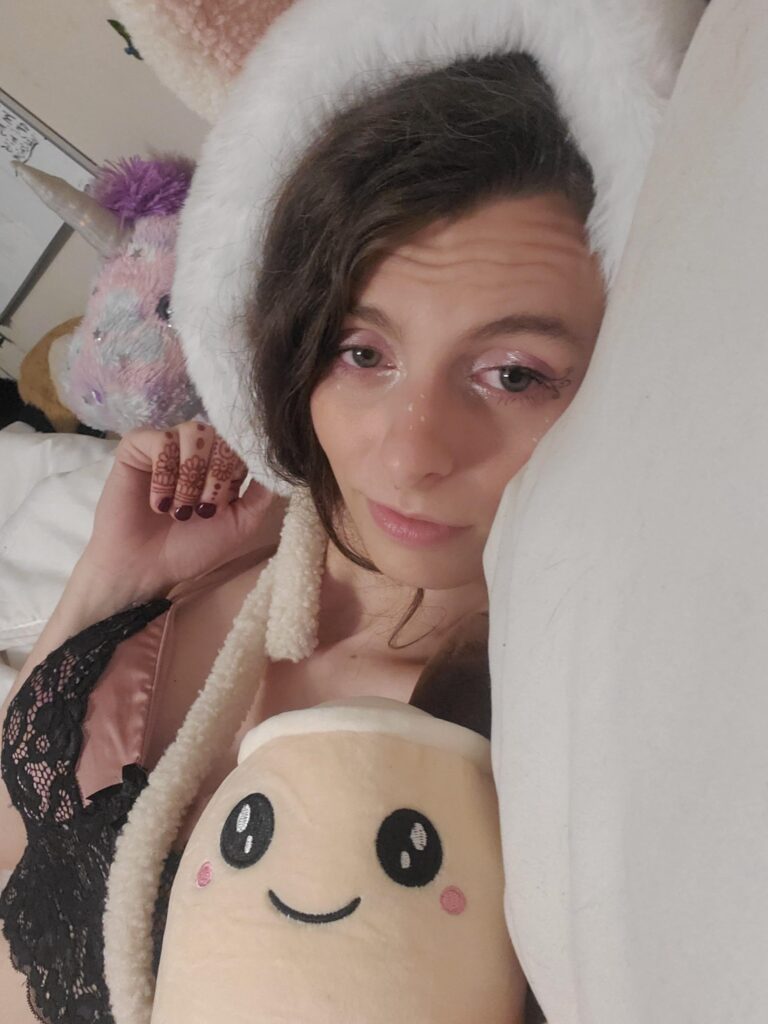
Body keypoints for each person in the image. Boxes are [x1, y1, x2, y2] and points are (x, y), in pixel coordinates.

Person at [0, 52, 606, 1024]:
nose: (409, 453)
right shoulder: (222, 549)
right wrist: (114, 582)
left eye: (514, 374)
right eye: (364, 352)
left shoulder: (562, 759)